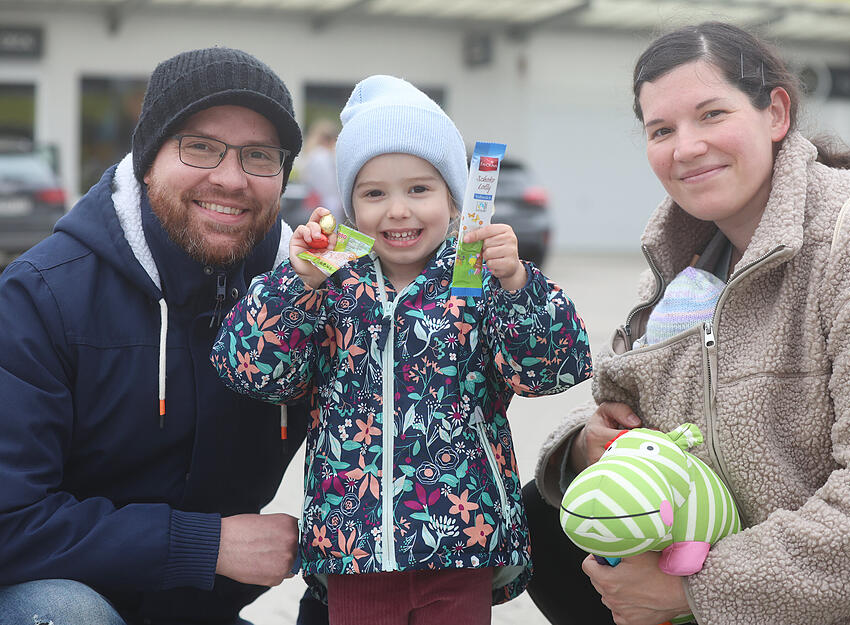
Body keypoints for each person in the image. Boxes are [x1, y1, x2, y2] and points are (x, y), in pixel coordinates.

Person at [526, 20, 850, 625]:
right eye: (661, 129)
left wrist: (696, 591)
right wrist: (586, 444)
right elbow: (663, 416)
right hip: (715, 568)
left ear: (776, 114)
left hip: (847, 605)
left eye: (711, 114)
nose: (685, 147)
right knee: (542, 516)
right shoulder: (682, 262)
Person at [210, 74, 593, 625]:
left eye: (419, 189)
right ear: (350, 205)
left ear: (454, 199)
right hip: (353, 541)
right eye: (374, 193)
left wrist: (516, 283)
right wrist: (296, 284)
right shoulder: (331, 278)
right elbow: (251, 371)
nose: (397, 211)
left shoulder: (477, 279)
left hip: (461, 536)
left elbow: (555, 368)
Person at [0, 47, 327, 625]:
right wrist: (209, 546)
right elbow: (9, 522)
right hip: (51, 601)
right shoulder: (40, 298)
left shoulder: (299, 302)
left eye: (260, 156)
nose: (230, 179)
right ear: (148, 159)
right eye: (200, 147)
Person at [298, 118, 343, 223]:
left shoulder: (314, 155)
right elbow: (326, 185)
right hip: (328, 202)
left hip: (320, 201)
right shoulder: (322, 156)